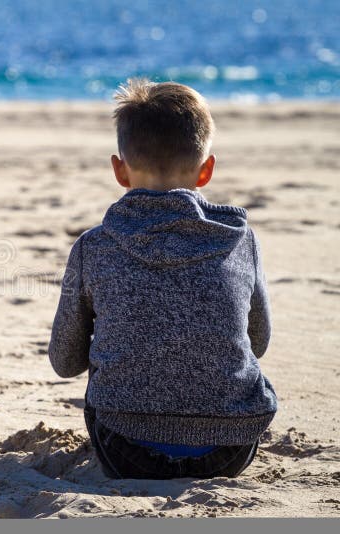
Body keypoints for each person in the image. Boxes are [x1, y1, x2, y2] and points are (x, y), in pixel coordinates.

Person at [47, 78, 277, 479]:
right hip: (230, 448)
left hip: (126, 448)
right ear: (206, 170)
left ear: (119, 170)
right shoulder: (242, 242)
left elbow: (66, 362)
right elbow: (258, 343)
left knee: (105, 376)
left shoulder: (93, 246)